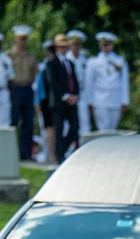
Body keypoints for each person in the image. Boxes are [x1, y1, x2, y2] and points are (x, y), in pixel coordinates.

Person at [83, 31, 129, 132]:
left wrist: (124, 101)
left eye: (107, 45)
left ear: (112, 45)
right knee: (103, 128)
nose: (104, 47)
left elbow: (124, 82)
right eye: (102, 45)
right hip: (100, 100)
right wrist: (89, 102)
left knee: (113, 128)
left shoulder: (119, 60)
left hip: (115, 98)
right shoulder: (93, 61)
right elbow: (89, 83)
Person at [44, 34, 80, 162]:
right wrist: (65, 96)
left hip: (71, 101)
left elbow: (74, 81)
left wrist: (75, 95)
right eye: (61, 47)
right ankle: (59, 156)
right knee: (58, 130)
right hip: (59, 101)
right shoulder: (51, 63)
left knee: (75, 127)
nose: (63, 49)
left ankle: (62, 150)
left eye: (65, 47)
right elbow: (52, 83)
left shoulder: (70, 63)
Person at [8, 25, 39, 160]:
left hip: (27, 88)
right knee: (13, 120)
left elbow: (35, 74)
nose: (22, 42)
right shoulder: (8, 55)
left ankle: (25, 152)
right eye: (20, 39)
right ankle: (12, 151)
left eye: (24, 39)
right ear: (15, 39)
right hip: (14, 88)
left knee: (28, 121)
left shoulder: (30, 56)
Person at [65, 30, 90, 136]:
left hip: (82, 94)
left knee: (84, 124)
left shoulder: (85, 60)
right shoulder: (65, 59)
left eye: (77, 44)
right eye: (73, 44)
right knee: (67, 125)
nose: (75, 46)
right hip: (68, 95)